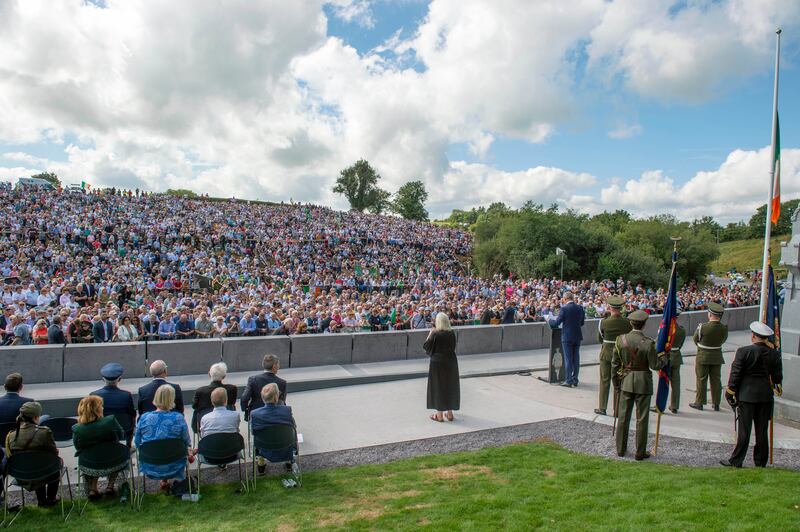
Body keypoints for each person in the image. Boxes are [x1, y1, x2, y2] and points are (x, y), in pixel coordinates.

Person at [720, 321, 783, 468]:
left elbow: (735, 374)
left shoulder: (743, 351)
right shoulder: (774, 354)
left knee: (744, 431)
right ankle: (760, 461)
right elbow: (777, 377)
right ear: (766, 338)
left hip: (746, 396)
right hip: (765, 396)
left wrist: (730, 392)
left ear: (753, 336)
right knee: (761, 431)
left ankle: (737, 460)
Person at [611, 310, 666, 461]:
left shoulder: (620, 340)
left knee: (623, 417)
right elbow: (655, 365)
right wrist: (664, 359)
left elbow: (614, 365)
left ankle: (621, 449)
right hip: (643, 383)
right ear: (644, 324)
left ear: (630, 323)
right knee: (642, 419)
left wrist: (616, 383)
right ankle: (640, 452)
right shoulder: (648, 343)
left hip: (626, 381)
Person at [134, 385, 192, 491]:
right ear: (172, 399)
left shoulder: (144, 418)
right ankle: (166, 481)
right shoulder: (178, 418)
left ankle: (164, 481)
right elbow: (187, 441)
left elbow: (137, 442)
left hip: (150, 465)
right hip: (175, 465)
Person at [5, 402, 60, 507]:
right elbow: (54, 452)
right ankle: (51, 499)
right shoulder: (44, 432)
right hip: (43, 472)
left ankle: (42, 500)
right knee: (52, 464)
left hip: (21, 475)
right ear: (36, 417)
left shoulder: (11, 435)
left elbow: (10, 456)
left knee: (37, 464)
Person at [72, 395, 127, 500]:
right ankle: (110, 486)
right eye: (101, 406)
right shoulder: (110, 421)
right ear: (96, 409)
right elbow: (121, 435)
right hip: (114, 461)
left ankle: (93, 489)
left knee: (95, 455)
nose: (103, 408)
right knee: (119, 454)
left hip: (91, 464)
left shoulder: (77, 429)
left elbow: (78, 447)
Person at [595, 296, 631, 416]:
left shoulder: (603, 322)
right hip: (621, 354)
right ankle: (617, 409)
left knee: (604, 380)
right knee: (618, 382)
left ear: (610, 307)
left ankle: (602, 407)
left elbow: (600, 338)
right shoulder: (627, 323)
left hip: (606, 353)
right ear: (621, 308)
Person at [689, 302, 728, 411]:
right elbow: (723, 340)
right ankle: (716, 403)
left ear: (710, 314)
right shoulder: (724, 328)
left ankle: (699, 402)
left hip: (703, 356)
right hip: (717, 356)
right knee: (716, 380)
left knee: (701, 379)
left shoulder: (703, 327)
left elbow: (695, 339)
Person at [250, 383, 296, 475]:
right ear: (276, 397)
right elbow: (293, 426)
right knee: (290, 434)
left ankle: (261, 465)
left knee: (258, 439)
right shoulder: (286, 410)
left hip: (264, 447)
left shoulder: (255, 414)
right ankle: (288, 462)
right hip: (285, 444)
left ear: (263, 398)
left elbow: (253, 431)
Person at [423, 313, 459, 423]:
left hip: (438, 362)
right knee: (450, 385)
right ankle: (450, 413)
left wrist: (430, 334)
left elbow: (426, 347)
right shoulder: (452, 333)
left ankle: (439, 415)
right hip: (451, 361)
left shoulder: (435, 333)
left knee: (438, 386)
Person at [91, 363, 136, 446]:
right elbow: (132, 414)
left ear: (103, 379)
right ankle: (128, 446)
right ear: (119, 379)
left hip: (101, 431)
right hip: (123, 429)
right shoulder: (126, 395)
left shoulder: (94, 395)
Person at [549, 291, 585, 388]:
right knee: (576, 359)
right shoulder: (580, 308)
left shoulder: (564, 308)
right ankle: (575, 379)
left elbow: (556, 323)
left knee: (568, 359)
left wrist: (549, 320)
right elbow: (582, 323)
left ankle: (568, 380)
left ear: (565, 299)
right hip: (577, 336)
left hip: (567, 336)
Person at [191, 362, 238, 433]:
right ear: (224, 376)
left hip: (205, 425)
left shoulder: (200, 391)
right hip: (227, 423)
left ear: (209, 374)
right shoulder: (232, 389)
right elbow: (232, 403)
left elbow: (194, 406)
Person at [666, 310, 687, 414]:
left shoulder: (665, 329)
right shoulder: (682, 330)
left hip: (666, 357)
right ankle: (674, 406)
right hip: (676, 356)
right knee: (676, 383)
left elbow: (658, 344)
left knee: (663, 381)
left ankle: (660, 405)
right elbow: (680, 345)